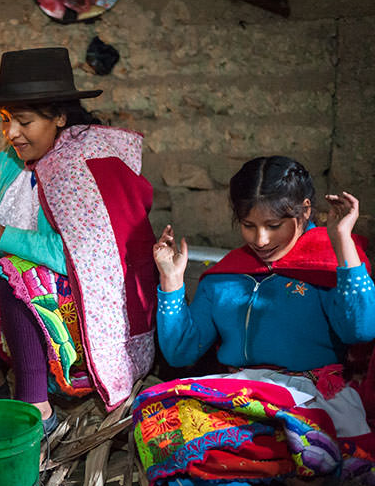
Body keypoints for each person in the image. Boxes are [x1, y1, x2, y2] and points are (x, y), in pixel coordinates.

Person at [0, 47, 158, 433]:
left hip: (86, 299)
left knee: (12, 272)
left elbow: (80, 257)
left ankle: (37, 411)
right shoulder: (9, 160)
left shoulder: (81, 165)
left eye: (24, 122)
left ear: (60, 117)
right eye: (5, 121)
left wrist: (0, 236)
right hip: (27, 287)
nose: (11, 133)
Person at [133, 155, 375, 485]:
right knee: (162, 421)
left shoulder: (330, 270)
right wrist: (171, 284)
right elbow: (180, 353)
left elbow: (361, 330)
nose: (260, 240)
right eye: (249, 225)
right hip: (241, 396)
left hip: (313, 399)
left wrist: (343, 240)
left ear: (305, 210)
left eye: (273, 226)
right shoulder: (223, 279)